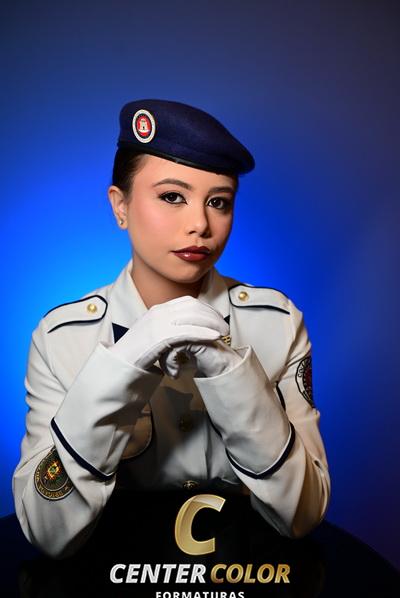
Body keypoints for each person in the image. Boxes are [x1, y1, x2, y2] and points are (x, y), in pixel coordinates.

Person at [13, 99, 331, 559]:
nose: (200, 224)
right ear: (120, 206)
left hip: (239, 575)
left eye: (218, 202)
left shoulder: (276, 324)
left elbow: (304, 513)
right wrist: (119, 371)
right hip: (111, 576)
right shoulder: (63, 338)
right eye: (172, 197)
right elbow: (45, 530)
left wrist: (233, 376)